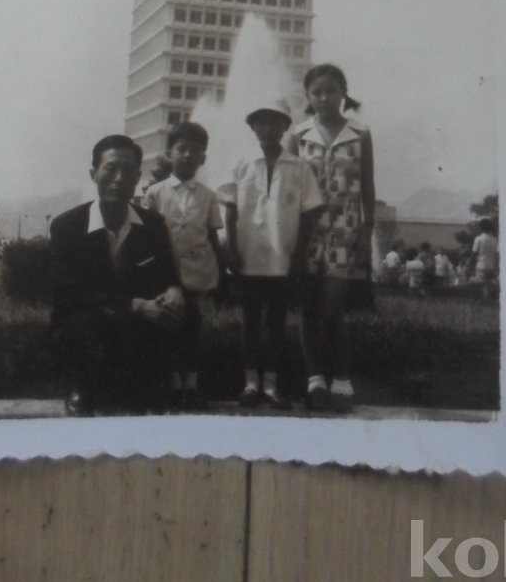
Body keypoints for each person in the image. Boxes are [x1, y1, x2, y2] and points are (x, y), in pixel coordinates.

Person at [50, 134, 185, 416]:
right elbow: (68, 292)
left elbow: (169, 273)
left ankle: (154, 391)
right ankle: (80, 390)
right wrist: (134, 304)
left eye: (128, 170)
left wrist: (174, 291)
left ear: (137, 177)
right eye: (111, 168)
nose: (119, 178)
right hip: (87, 318)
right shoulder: (67, 226)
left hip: (134, 323)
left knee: (176, 316)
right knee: (87, 324)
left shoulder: (152, 223)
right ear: (94, 174)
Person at [219, 97, 323, 410]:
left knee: (277, 322)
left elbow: (309, 214)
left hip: (282, 256)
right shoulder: (241, 163)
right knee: (250, 321)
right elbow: (230, 208)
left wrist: (298, 255)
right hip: (248, 253)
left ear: (285, 126)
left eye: (275, 121)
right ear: (252, 125)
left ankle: (271, 386)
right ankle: (251, 383)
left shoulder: (299, 167)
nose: (267, 127)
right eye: (261, 121)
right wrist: (231, 247)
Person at [288, 64, 376, 414]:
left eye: (331, 91)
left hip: (345, 229)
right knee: (308, 307)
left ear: (343, 93)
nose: (324, 98)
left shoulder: (361, 133)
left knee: (332, 307)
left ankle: (341, 378)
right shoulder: (298, 134)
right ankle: (315, 380)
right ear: (308, 97)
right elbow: (290, 187)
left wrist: (367, 230)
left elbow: (367, 183)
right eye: (317, 92)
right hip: (307, 231)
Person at [143, 121, 224, 410]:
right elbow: (147, 235)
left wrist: (222, 273)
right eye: (182, 149)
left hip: (200, 272)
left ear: (203, 158)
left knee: (193, 327)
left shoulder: (208, 195)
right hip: (166, 274)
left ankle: (191, 385)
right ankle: (174, 384)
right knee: (168, 325)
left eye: (195, 151)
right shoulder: (155, 192)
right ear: (169, 154)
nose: (188, 155)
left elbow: (213, 236)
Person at [471, 217, 499, 301]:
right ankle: (487, 301)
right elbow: (497, 253)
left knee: (478, 284)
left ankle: (480, 300)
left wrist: (470, 261)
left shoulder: (478, 239)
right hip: (491, 266)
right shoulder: (495, 240)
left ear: (481, 227)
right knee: (487, 285)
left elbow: (475, 253)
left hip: (481, 265)